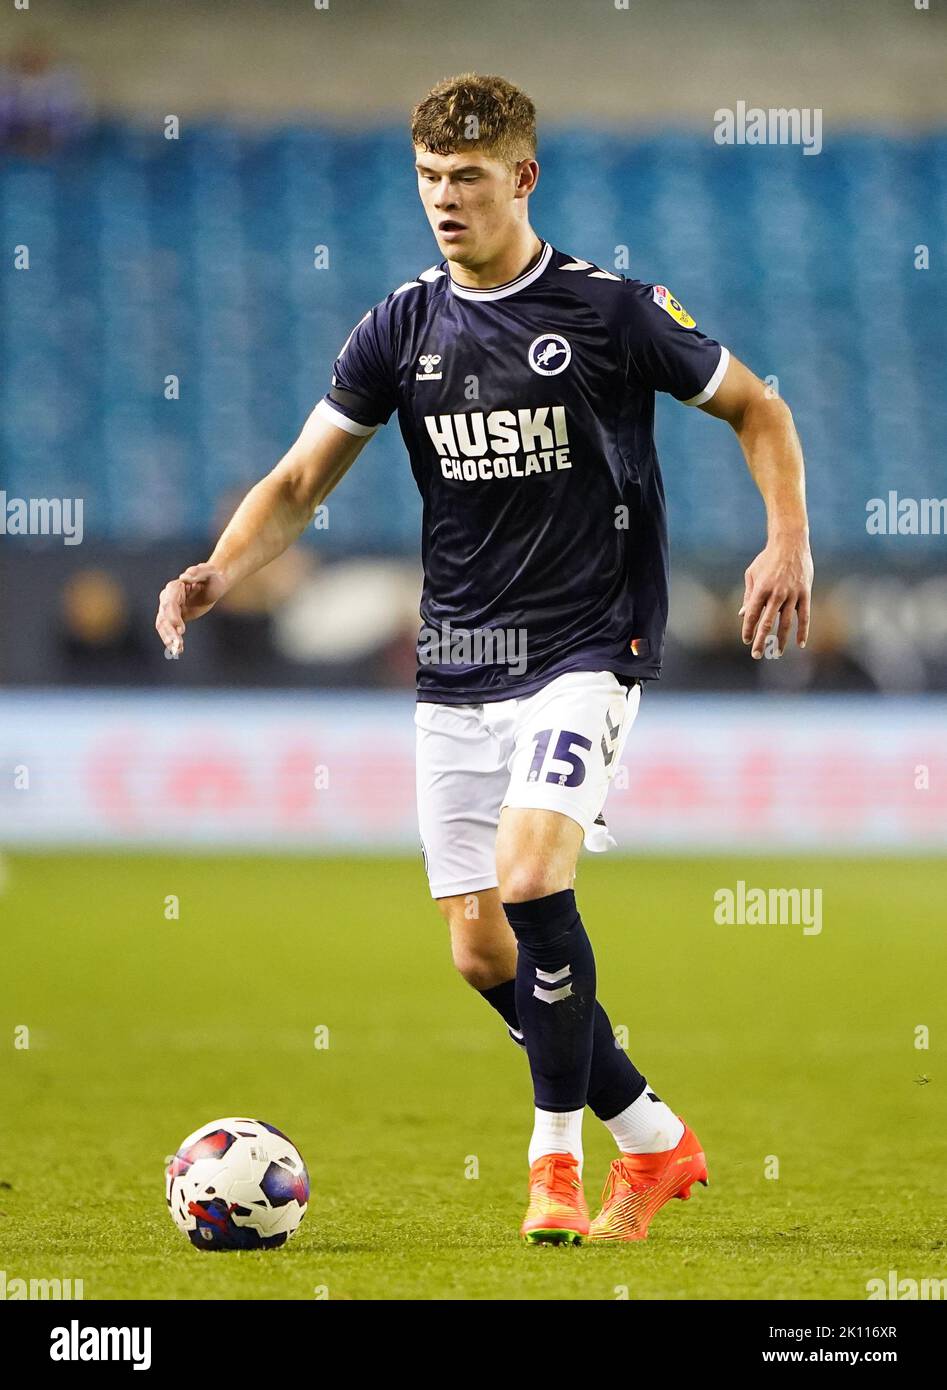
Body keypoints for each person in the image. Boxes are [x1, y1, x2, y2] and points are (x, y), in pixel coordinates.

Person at [155, 74, 813, 1245]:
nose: (444, 200)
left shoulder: (610, 311)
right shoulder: (399, 327)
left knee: (530, 876)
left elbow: (757, 409)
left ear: (522, 177)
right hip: (457, 659)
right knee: (476, 948)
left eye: (466, 178)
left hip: (583, 644)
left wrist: (786, 540)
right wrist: (216, 569)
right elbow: (301, 482)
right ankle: (656, 1142)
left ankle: (552, 1167)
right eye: (428, 180)